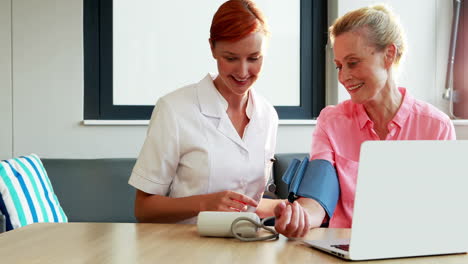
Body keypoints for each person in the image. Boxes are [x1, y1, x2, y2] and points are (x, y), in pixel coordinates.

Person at [273, 4, 456, 237]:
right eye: (339, 66)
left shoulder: (436, 127)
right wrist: (301, 218)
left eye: (353, 62)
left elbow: (443, 212)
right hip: (344, 249)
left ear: (389, 54)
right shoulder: (331, 121)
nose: (343, 77)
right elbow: (318, 196)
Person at [128, 0, 280, 224]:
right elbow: (143, 207)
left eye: (254, 58)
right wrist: (204, 203)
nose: (243, 71)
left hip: (246, 246)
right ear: (212, 48)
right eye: (231, 58)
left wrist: (284, 208)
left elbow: (248, 203)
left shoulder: (267, 115)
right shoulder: (174, 109)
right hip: (185, 249)